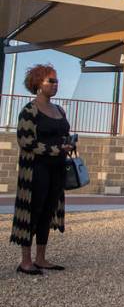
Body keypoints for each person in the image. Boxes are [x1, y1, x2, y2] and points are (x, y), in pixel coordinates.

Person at [9, 64, 73, 274]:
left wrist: (69, 144)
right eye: (50, 81)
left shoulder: (59, 110)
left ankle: (41, 258)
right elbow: (25, 141)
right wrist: (55, 149)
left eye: (56, 81)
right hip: (36, 169)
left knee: (48, 211)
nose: (55, 85)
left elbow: (64, 134)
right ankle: (25, 261)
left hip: (57, 169)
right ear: (38, 84)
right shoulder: (30, 110)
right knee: (32, 211)